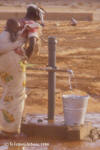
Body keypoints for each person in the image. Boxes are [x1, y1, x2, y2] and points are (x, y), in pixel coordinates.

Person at [0, 4, 45, 137]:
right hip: (13, 59)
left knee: (9, 91)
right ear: (37, 15)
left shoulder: (18, 22)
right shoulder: (33, 24)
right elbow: (32, 44)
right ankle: (10, 131)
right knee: (17, 93)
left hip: (2, 60)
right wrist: (25, 60)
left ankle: (8, 125)